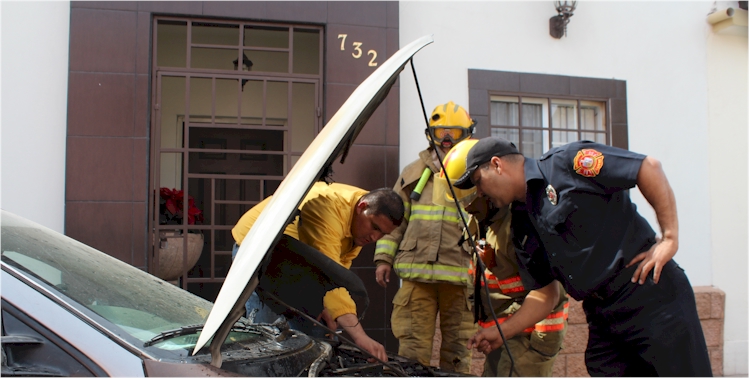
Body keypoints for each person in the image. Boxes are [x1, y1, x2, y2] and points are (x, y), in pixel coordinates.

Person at [455, 136, 712, 376]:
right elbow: (546, 294)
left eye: (478, 181)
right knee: (602, 365)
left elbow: (648, 167)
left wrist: (669, 238)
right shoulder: (521, 224)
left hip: (648, 296)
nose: (478, 192)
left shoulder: (567, 163)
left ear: (497, 165)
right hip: (602, 314)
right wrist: (502, 331)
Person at [231, 181, 405, 362]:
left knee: (317, 333)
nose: (375, 238)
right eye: (374, 227)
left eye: (383, 234)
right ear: (362, 207)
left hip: (298, 259)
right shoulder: (329, 209)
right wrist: (359, 336)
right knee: (267, 342)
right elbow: (327, 273)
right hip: (260, 251)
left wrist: (330, 306)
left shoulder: (361, 218)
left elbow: (337, 272)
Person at [437, 138, 569, 377]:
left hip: (530, 333)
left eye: (476, 188)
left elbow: (548, 291)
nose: (467, 204)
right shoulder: (484, 218)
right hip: (505, 331)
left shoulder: (523, 221)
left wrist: (502, 330)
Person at [373, 101, 477, 373]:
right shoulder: (413, 173)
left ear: (466, 135)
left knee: (457, 354)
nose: (445, 139)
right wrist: (383, 258)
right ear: (430, 133)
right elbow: (394, 220)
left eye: (453, 133)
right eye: (440, 132)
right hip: (417, 277)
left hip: (459, 276)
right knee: (412, 352)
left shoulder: (476, 174)